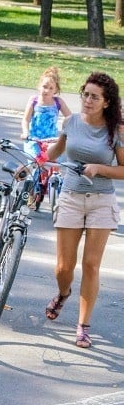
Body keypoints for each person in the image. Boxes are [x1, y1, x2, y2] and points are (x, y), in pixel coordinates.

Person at [43, 71, 124, 349]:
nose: (88, 100)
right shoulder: (71, 122)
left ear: (106, 103)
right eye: (85, 94)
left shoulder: (116, 131)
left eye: (94, 97)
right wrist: (32, 163)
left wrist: (100, 169)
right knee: (63, 267)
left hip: (101, 201)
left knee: (91, 265)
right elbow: (54, 153)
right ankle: (63, 293)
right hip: (71, 197)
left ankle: (83, 325)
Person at [21, 66, 72, 158]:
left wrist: (66, 134)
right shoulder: (34, 100)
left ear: (56, 90)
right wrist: (26, 132)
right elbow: (26, 120)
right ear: (39, 86)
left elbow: (70, 118)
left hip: (51, 142)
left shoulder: (58, 102)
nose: (47, 90)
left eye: (51, 88)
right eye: (44, 87)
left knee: (52, 166)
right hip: (34, 141)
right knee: (35, 164)